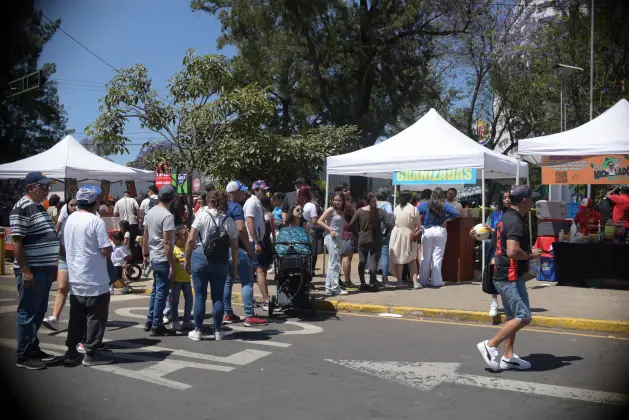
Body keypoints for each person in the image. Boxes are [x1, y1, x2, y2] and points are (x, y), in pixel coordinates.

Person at [477, 185, 542, 371]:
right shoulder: (514, 221)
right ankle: (490, 345)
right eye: (531, 199)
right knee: (523, 316)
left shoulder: (507, 218)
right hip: (509, 276)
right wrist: (531, 255)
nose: (532, 202)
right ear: (524, 201)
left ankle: (508, 357)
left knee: (513, 316)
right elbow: (513, 251)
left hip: (506, 274)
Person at [10, 172, 60, 370]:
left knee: (38, 312)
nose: (47, 190)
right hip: (33, 270)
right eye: (44, 186)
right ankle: (23, 355)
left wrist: (53, 265)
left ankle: (33, 348)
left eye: (48, 186)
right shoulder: (21, 208)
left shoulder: (39, 206)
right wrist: (25, 270)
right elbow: (17, 242)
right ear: (31, 188)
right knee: (27, 312)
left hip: (44, 268)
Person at [63, 186, 114, 367]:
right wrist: (111, 247)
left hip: (76, 275)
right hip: (94, 278)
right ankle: (91, 353)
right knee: (96, 317)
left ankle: (71, 352)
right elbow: (104, 249)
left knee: (76, 317)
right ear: (95, 202)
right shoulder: (96, 221)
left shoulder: (69, 219)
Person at [185, 190, 239, 341]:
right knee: (218, 297)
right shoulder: (229, 220)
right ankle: (217, 330)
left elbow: (190, 240)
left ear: (210, 201)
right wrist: (234, 267)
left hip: (201, 256)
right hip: (221, 260)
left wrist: (186, 259)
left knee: (200, 295)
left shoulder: (201, 216)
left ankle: (197, 331)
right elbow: (234, 247)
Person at [223, 181, 268, 326]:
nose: (243, 193)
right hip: (239, 248)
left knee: (228, 281)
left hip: (225, 248)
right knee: (247, 281)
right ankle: (249, 314)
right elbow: (241, 229)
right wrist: (250, 249)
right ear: (234, 192)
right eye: (240, 191)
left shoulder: (222, 206)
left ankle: (227, 313)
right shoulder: (235, 207)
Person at [142, 185, 177, 336]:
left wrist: (145, 254)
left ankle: (150, 320)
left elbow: (145, 235)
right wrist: (172, 264)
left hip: (153, 256)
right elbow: (167, 242)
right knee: (161, 292)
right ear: (173, 198)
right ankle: (156, 324)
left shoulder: (151, 212)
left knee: (156, 290)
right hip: (162, 257)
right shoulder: (167, 216)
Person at [470, 191, 511, 317]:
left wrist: (493, 230)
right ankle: (494, 302)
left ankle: (508, 303)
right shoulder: (494, 214)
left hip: (508, 251)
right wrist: (476, 232)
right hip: (494, 251)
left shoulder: (515, 215)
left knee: (506, 279)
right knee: (494, 277)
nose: (507, 200)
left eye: (509, 197)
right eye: (504, 197)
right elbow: (485, 230)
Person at [42, 198, 78, 332]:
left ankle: (79, 323)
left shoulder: (88, 216)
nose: (73, 207)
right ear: (67, 206)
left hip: (79, 258)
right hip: (64, 256)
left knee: (77, 292)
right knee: (61, 288)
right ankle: (54, 318)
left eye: (76, 205)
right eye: (71, 205)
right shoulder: (64, 213)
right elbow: (57, 229)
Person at [350, 192, 393, 291]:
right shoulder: (380, 212)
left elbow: (351, 224)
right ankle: (372, 282)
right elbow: (389, 224)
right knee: (373, 262)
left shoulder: (359, 211)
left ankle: (362, 283)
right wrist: (385, 234)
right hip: (376, 239)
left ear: (365, 201)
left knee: (362, 261)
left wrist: (356, 235)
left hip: (363, 239)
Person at [417, 187, 459, 287]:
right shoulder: (444, 205)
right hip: (440, 230)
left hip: (427, 231)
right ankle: (436, 282)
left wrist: (419, 223)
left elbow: (416, 212)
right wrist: (446, 220)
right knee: (437, 257)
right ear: (442, 196)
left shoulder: (426, 204)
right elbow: (456, 214)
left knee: (425, 257)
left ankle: (423, 280)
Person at [244, 180, 272, 309]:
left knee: (259, 270)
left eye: (265, 190)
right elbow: (249, 222)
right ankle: (266, 300)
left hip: (260, 239)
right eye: (263, 190)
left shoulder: (258, 203)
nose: (265, 193)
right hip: (254, 241)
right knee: (260, 271)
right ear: (255, 190)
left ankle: (253, 299)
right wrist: (256, 242)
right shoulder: (251, 203)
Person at [317, 192, 349, 296]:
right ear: (332, 200)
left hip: (338, 239)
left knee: (333, 263)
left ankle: (329, 287)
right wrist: (330, 229)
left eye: (340, 200)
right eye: (336, 200)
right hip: (331, 238)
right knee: (335, 264)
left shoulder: (342, 211)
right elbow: (320, 221)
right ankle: (335, 288)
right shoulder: (331, 210)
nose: (337, 202)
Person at [390, 191, 421, 289]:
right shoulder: (414, 209)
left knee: (399, 259)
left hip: (397, 233)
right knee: (412, 259)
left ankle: (399, 282)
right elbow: (418, 224)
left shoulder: (396, 208)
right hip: (409, 233)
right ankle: (415, 282)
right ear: (410, 198)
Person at [171, 225, 194, 331]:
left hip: (186, 279)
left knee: (189, 300)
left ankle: (187, 320)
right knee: (174, 302)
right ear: (177, 237)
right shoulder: (174, 250)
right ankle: (175, 321)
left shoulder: (188, 248)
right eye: (185, 234)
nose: (187, 236)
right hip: (176, 280)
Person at [298, 185, 320, 272]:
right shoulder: (311, 205)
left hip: (300, 230)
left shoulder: (298, 205)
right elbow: (314, 221)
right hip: (310, 230)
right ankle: (309, 272)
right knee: (311, 252)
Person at [376, 187, 394, 285]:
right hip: (384, 232)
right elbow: (390, 217)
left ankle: (372, 277)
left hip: (373, 233)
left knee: (374, 256)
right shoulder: (387, 205)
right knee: (384, 255)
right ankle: (385, 278)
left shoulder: (373, 203)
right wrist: (388, 229)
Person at [340, 190, 356, 288]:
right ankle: (347, 280)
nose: (348, 191)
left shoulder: (333, 204)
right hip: (346, 233)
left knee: (338, 258)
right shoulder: (347, 204)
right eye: (346, 190)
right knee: (347, 257)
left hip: (338, 233)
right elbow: (355, 215)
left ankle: (337, 279)